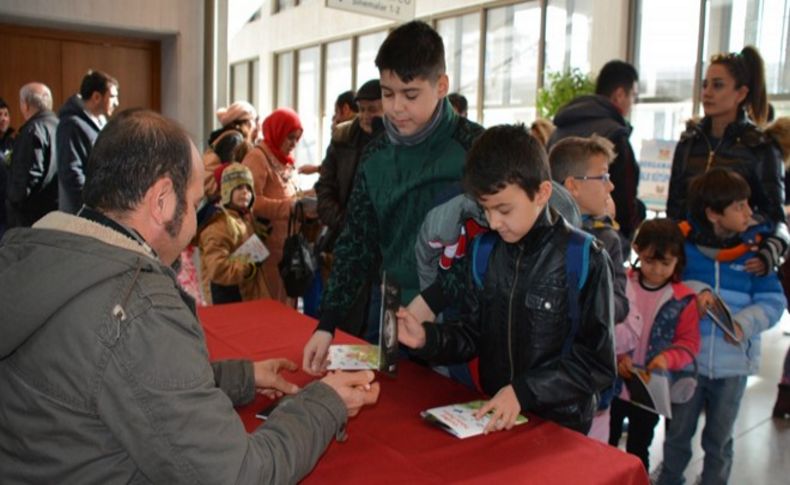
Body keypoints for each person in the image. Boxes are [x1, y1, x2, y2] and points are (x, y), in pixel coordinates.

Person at [0, 109, 380, 484]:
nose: (197, 220)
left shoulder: (38, 255)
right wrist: (325, 403)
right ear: (162, 200)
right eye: (197, 203)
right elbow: (240, 474)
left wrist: (239, 377)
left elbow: (121, 379)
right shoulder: (136, 306)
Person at [397, 124, 616, 433]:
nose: (493, 222)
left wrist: (523, 391)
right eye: (485, 210)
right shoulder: (483, 252)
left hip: (559, 427)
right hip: (496, 417)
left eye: (503, 209)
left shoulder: (584, 257)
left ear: (542, 193)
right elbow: (472, 335)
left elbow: (597, 364)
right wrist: (427, 338)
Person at [302, 20, 484, 374]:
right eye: (388, 94)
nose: (396, 107)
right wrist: (328, 322)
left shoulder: (476, 149)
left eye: (410, 94)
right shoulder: (375, 155)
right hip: (390, 307)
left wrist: (434, 299)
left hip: (459, 321)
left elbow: (493, 244)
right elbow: (356, 243)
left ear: (441, 85)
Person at [655, 168, 784, 485]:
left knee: (719, 440)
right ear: (713, 213)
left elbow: (774, 302)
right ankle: (669, 479)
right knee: (677, 435)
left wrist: (743, 322)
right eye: (739, 206)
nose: (749, 212)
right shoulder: (682, 252)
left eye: (747, 204)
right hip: (687, 365)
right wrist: (690, 300)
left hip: (733, 367)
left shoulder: (757, 254)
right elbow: (661, 293)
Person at [666, 46, 788, 278]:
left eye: (718, 85)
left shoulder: (762, 148)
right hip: (689, 260)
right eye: (705, 85)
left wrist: (764, 250)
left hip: (740, 261)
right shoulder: (689, 142)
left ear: (741, 93)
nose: (707, 93)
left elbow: (775, 218)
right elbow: (675, 210)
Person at [607, 218, 700, 470]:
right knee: (605, 445)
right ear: (637, 250)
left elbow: (689, 344)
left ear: (678, 259)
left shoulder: (684, 299)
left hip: (649, 392)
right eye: (649, 261)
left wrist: (666, 359)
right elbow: (607, 329)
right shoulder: (620, 284)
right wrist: (617, 357)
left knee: (638, 449)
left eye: (665, 263)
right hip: (613, 385)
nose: (657, 270)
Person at [314, 78, 383, 335]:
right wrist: (344, 223)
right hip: (343, 240)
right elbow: (325, 187)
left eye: (373, 109)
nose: (366, 116)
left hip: (380, 250)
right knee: (343, 320)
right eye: (362, 109)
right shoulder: (342, 138)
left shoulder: (396, 143)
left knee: (375, 326)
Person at [549, 60, 643, 246]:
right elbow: (626, 197)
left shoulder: (557, 131)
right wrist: (623, 235)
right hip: (603, 236)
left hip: (556, 226)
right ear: (619, 95)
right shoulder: (615, 134)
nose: (610, 186)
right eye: (632, 95)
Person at [549, 134, 629, 324]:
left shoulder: (606, 240)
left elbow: (620, 305)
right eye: (603, 177)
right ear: (573, 185)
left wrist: (589, 303)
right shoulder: (542, 231)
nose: (611, 185)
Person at [242, 107, 306, 303]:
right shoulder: (257, 158)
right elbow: (251, 201)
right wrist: (290, 207)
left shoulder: (285, 160)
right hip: (264, 248)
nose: (294, 144)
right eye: (290, 138)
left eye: (297, 138)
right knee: (268, 308)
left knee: (287, 308)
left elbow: (289, 193)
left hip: (286, 249)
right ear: (277, 132)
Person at [198, 163, 271, 304]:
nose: (245, 192)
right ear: (226, 191)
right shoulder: (217, 226)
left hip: (245, 296)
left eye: (249, 188)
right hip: (227, 301)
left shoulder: (243, 219)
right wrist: (249, 267)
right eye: (238, 187)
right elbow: (218, 269)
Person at [57, 69, 119, 214]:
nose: (116, 103)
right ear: (96, 96)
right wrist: (92, 203)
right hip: (81, 210)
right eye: (112, 97)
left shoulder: (101, 122)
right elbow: (71, 172)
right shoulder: (71, 124)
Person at [6, 82, 59, 228]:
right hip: (57, 211)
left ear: (26, 105)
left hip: (32, 218)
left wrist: (13, 200)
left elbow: (28, 176)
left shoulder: (33, 131)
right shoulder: (60, 126)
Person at [204, 100, 259, 199]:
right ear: (246, 122)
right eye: (253, 120)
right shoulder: (234, 138)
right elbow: (232, 170)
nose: (255, 126)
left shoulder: (226, 136)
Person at [0, 97, 14, 238]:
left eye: (6, 114)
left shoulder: (13, 143)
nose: (3, 119)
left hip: (9, 206)